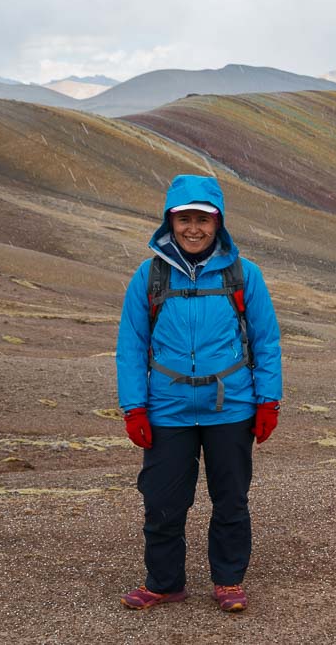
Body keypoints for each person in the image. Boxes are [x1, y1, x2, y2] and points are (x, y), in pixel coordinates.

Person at [115, 174, 282, 612]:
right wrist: (134, 407)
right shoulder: (148, 275)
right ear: (169, 221)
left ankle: (228, 581)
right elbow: (131, 345)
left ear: (218, 222)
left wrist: (268, 400)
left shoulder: (245, 275)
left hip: (232, 409)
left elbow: (266, 341)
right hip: (168, 409)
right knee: (162, 503)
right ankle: (165, 582)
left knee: (231, 499)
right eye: (184, 218)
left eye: (202, 219)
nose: (193, 228)